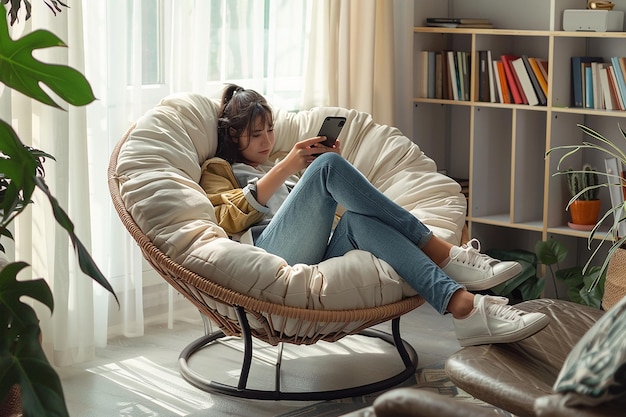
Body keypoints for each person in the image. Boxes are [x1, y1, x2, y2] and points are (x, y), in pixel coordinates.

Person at [200, 84, 549, 347]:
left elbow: (319, 216)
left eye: (270, 130)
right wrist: (297, 165)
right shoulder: (220, 169)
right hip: (268, 256)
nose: (266, 140)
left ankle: (465, 308)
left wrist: (302, 171)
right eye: (256, 133)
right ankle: (443, 252)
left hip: (314, 252)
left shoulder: (278, 167)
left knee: (359, 220)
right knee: (327, 166)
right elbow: (228, 217)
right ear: (232, 134)